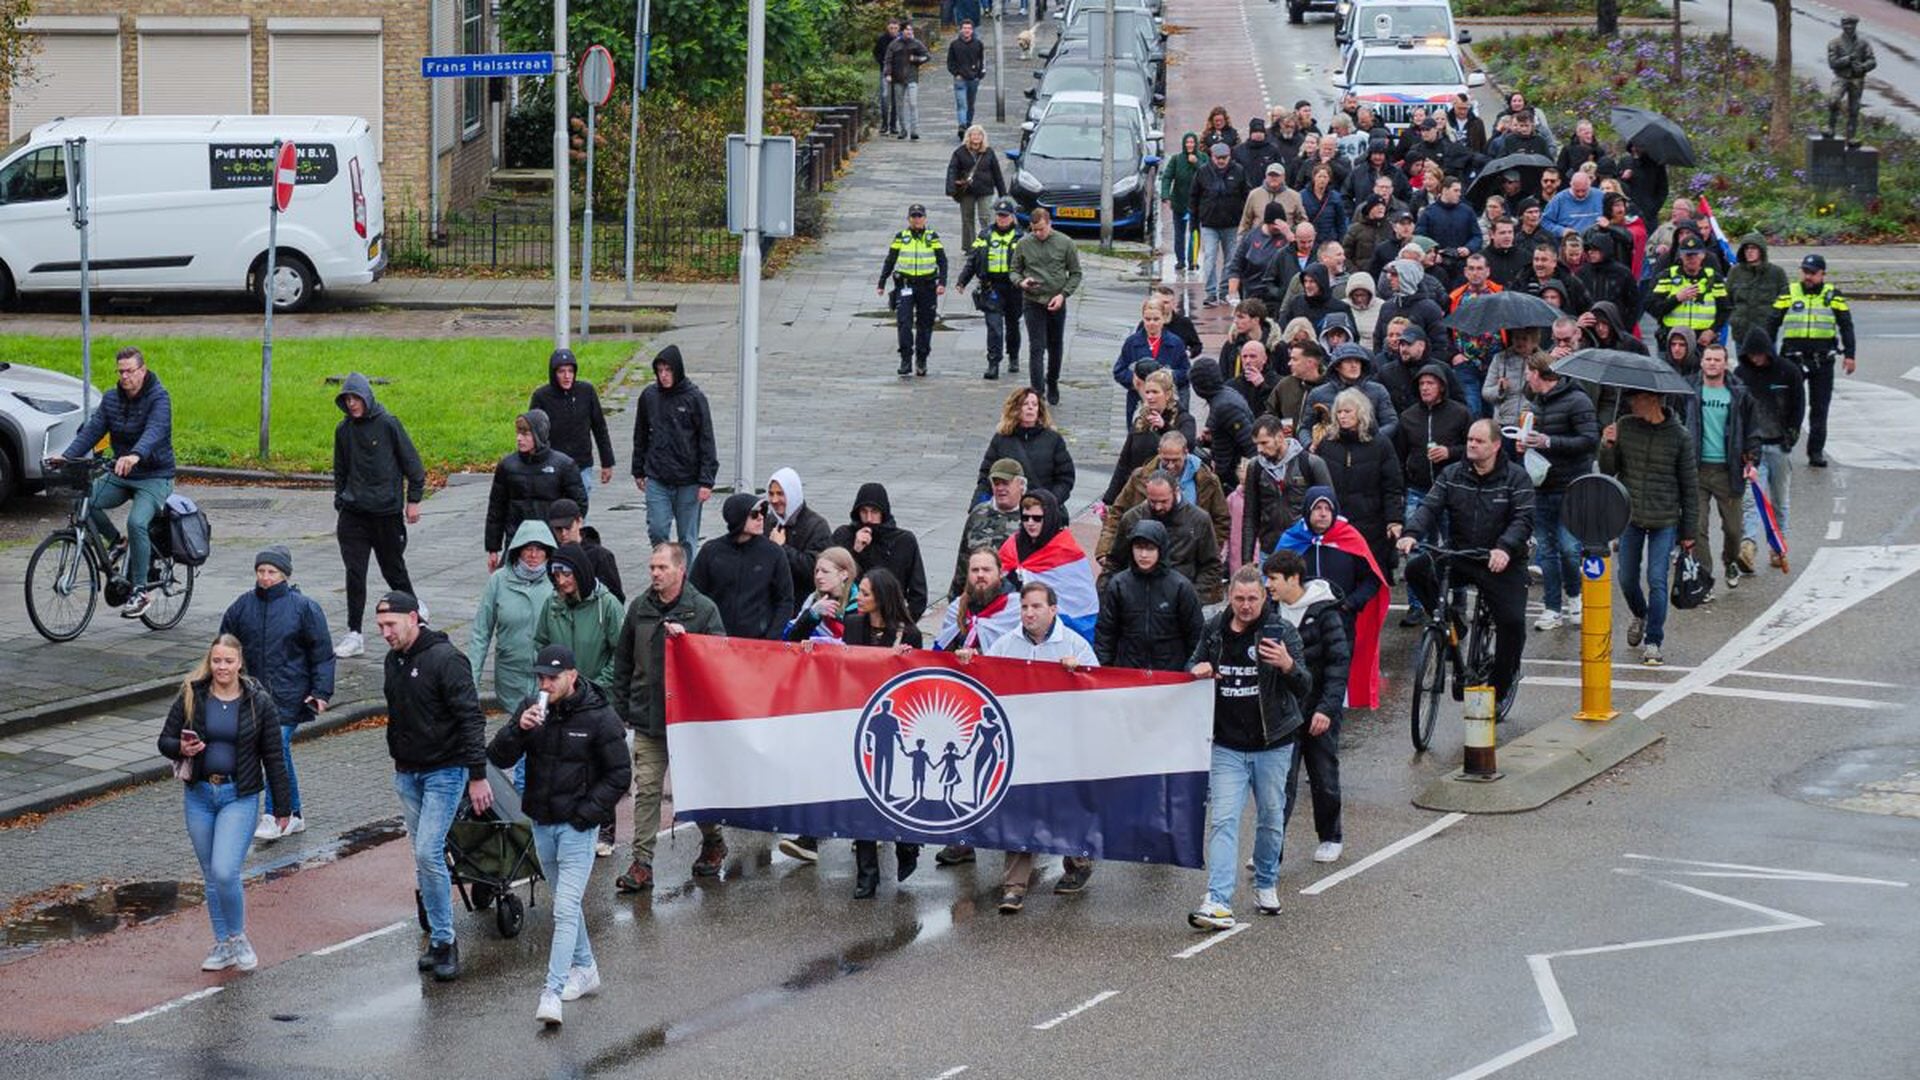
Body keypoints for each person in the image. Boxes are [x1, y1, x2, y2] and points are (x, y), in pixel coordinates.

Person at [488, 645, 630, 1026]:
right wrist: (519, 729)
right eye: (541, 678)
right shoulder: (531, 708)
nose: (545, 685)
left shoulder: (599, 716)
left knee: (564, 909)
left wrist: (586, 815)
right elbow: (497, 757)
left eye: (552, 678)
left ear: (572, 675)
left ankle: (551, 993)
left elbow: (619, 774)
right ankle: (585, 969)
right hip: (541, 822)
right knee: (566, 906)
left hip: (577, 828)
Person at [1184, 565, 1312, 930]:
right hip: (1226, 745)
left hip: (1273, 744)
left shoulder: (1282, 631)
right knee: (1223, 819)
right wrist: (1199, 669)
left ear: (1264, 597)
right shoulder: (1214, 630)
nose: (1245, 606)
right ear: (1229, 597)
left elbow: (1305, 686)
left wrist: (1287, 665)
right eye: (1239, 598)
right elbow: (1192, 664)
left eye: (1252, 598)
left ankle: (1266, 882)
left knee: (1271, 819)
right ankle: (1218, 900)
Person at [157, 634, 292, 973]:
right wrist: (181, 748)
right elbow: (165, 740)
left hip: (239, 795)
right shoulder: (193, 693)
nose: (222, 667)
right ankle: (222, 944)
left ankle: (238, 936)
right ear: (210, 661)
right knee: (209, 874)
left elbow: (275, 756)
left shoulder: (258, 702)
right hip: (200, 795)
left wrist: (282, 808)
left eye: (228, 661)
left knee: (224, 870)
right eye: (216, 660)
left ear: (239, 663)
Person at [374, 591, 490, 982]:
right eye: (380, 627)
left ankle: (444, 940)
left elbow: (471, 718)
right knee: (424, 856)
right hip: (407, 772)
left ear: (413, 618)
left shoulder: (447, 660)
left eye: (390, 625)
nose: (385, 633)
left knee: (428, 852)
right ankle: (439, 937)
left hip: (445, 771)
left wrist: (477, 774)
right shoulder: (394, 661)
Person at [612, 543, 728, 892]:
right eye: (652, 568)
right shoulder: (640, 609)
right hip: (649, 719)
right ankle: (642, 862)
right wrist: (621, 710)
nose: (655, 574)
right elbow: (622, 663)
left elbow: (720, 659)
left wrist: (689, 641)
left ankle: (713, 840)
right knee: (646, 789)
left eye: (662, 567)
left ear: (681, 570)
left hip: (689, 722)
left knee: (694, 789)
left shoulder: (703, 611)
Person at [1398, 421, 1535, 717]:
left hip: (1500, 560)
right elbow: (1429, 506)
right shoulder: (1452, 474)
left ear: (1496, 445)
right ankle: (1450, 625)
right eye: (1470, 440)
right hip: (1460, 553)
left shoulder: (1516, 478)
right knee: (1416, 569)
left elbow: (1523, 519)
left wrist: (1505, 548)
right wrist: (1411, 533)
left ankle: (1500, 686)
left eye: (1479, 441)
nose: (1472, 445)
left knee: (1512, 622)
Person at [218, 546, 332, 843]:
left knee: (275, 746)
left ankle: (273, 814)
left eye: (272, 572)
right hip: (255, 697)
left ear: (284, 575)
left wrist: (321, 691)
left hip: (290, 694)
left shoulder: (304, 608)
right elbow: (224, 647)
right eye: (261, 572)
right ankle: (293, 814)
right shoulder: (242, 606)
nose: (265, 578)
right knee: (279, 753)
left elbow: (321, 653)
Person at [53, 346, 174, 618]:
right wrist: (67, 456)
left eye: (130, 371)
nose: (125, 377)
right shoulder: (111, 399)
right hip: (122, 472)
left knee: (137, 522)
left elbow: (156, 430)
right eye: (120, 371)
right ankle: (117, 541)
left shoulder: (159, 398)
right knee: (85, 501)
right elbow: (94, 430)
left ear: (142, 370)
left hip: (154, 475)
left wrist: (135, 454)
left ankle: (140, 591)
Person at [534, 542, 627, 857]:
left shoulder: (607, 606)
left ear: (581, 573)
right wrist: (549, 678)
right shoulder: (552, 605)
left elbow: (622, 651)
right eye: (556, 574)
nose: (560, 581)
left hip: (597, 697)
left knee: (601, 763)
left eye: (566, 574)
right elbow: (541, 642)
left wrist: (597, 684)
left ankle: (606, 827)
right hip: (561, 698)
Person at [329, 372, 425, 659]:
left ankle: (415, 613)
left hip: (385, 513)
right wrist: (340, 500)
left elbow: (412, 464)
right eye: (347, 399)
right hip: (353, 514)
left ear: (367, 398)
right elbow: (340, 468)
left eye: (356, 398)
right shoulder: (343, 431)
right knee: (355, 573)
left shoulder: (388, 424)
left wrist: (414, 500)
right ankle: (354, 633)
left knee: (393, 569)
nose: (352, 404)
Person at [840, 568, 925, 897]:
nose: (858, 598)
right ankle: (867, 873)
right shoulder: (852, 626)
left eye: (864, 593)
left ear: (882, 598)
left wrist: (907, 661)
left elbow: (918, 680)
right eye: (858, 592)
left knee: (894, 791)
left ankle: (907, 845)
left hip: (896, 721)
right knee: (862, 797)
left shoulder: (909, 633)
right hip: (860, 720)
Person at [1601, 391, 1699, 666]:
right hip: (1630, 516)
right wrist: (1607, 446)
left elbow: (1690, 488)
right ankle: (1640, 614)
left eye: (1639, 399)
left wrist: (1689, 532)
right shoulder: (1626, 426)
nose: (1632, 404)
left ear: (1655, 400)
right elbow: (1610, 471)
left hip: (1665, 519)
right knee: (1627, 578)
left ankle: (1654, 640)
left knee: (1657, 579)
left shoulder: (1680, 436)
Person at [1274, 487, 1388, 711]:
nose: (1323, 514)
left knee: (1334, 679)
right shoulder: (1291, 540)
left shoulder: (1350, 538)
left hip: (1340, 623)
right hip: (1299, 624)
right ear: (1307, 510)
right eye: (1318, 508)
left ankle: (1329, 724)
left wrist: (1349, 604)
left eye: (1328, 508)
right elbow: (1274, 579)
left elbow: (1371, 580)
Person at [1520, 355, 1598, 630]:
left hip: (1570, 486)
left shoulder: (1577, 401)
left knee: (1568, 549)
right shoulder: (1535, 404)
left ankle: (1575, 598)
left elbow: (1589, 440)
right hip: (1541, 486)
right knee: (1548, 550)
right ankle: (1552, 607)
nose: (1526, 377)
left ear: (1539, 373)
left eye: (1529, 372)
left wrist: (1549, 441)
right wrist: (1525, 444)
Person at [471, 521, 557, 746]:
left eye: (539, 548)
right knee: (519, 733)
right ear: (517, 550)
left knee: (544, 737)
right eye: (527, 548)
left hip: (548, 677)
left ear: (548, 551)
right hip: (511, 675)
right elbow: (481, 632)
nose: (533, 554)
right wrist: (471, 679)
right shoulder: (498, 581)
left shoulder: (557, 582)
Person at [1684, 344, 1760, 592]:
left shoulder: (1740, 394)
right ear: (1702, 362)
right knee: (1697, 528)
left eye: (1717, 360)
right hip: (1697, 470)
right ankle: (1704, 579)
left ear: (1725, 363)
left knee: (1733, 529)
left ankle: (1730, 561)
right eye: (1708, 359)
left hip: (1729, 471)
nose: (1712, 363)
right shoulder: (1688, 390)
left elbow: (1752, 431)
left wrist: (1752, 461)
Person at [1768, 253, 1855, 468]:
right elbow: (1772, 323)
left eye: (1812, 273)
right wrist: (1767, 354)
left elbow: (1846, 325)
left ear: (1822, 274)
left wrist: (1850, 355)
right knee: (1786, 404)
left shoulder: (1833, 294)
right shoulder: (1789, 292)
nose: (1807, 277)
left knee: (1820, 407)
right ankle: (1784, 444)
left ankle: (1815, 451)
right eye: (1805, 272)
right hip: (1792, 358)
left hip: (1822, 360)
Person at [632, 345, 718, 558]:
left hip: (688, 480)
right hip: (658, 477)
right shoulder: (649, 397)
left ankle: (684, 582)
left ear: (677, 370)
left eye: (668, 370)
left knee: (687, 537)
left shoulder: (695, 398)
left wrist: (706, 480)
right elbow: (640, 434)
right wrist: (638, 470)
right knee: (657, 529)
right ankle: (664, 568)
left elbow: (706, 440)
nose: (664, 376)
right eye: (660, 371)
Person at [1099, 468, 1226, 604]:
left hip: (1180, 600)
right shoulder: (1132, 518)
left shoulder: (1198, 520)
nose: (1158, 507)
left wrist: (1191, 598)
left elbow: (1211, 565)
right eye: (1152, 501)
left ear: (1176, 491)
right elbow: (1115, 562)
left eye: (1164, 501)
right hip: (1138, 598)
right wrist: (1106, 594)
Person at [1095, 519, 1205, 674]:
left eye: (1150, 548)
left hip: (1170, 674)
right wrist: (1104, 669)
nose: (1143, 555)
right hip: (1128, 670)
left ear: (1161, 549)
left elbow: (1196, 634)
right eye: (1138, 548)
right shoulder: (1119, 585)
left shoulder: (1181, 587)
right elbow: (1106, 632)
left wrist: (1191, 668)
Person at [1736, 329, 1804, 573]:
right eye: (1751, 355)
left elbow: (1798, 405)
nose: (1756, 359)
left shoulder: (1788, 372)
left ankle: (1778, 547)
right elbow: (1738, 412)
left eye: (1759, 354)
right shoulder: (1741, 375)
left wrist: (1792, 436)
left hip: (1780, 446)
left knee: (1779, 500)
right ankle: (1748, 546)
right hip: (1754, 448)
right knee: (1752, 499)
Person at [485, 410, 585, 571]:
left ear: (539, 435)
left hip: (551, 542)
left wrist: (566, 534)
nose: (519, 438)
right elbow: (496, 509)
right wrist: (492, 548)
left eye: (525, 434)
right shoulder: (507, 466)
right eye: (518, 433)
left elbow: (578, 505)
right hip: (517, 541)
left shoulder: (564, 466)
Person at [1000, 489, 1099, 641]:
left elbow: (1081, 601)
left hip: (1058, 633)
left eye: (1037, 518)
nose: (1030, 523)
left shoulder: (1066, 551)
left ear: (1049, 517)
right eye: (1025, 518)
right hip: (1013, 627)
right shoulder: (1012, 544)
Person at [1099, 369, 1199, 510]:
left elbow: (1188, 444)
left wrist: (1164, 427)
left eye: (1155, 392)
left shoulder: (1183, 419)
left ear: (1168, 394)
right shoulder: (1141, 421)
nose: (1150, 397)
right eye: (1147, 392)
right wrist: (1109, 500)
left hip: (1166, 496)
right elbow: (1124, 461)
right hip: (1138, 492)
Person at [1012, 208, 1082, 403]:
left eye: (1041, 229)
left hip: (1056, 300)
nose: (1038, 233)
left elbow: (1075, 273)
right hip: (1032, 301)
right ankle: (1037, 390)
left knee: (1055, 344)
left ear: (1049, 224)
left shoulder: (1065, 243)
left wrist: (1063, 295)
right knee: (1037, 346)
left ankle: (1052, 381)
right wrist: (1021, 282)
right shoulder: (1024, 244)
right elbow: (1014, 270)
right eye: (1034, 229)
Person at [1241, 413, 1330, 567]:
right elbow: (1250, 516)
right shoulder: (1255, 468)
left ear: (1280, 437)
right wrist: (1247, 560)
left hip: (1304, 547)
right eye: (1256, 444)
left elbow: (1330, 509)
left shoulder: (1310, 463)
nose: (1259, 449)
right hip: (1269, 550)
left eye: (1264, 442)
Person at [832, 483, 929, 620]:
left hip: (891, 620)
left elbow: (918, 592)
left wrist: (905, 623)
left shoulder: (903, 541)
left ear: (883, 513)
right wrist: (855, 552)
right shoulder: (844, 536)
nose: (869, 518)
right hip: (850, 618)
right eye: (864, 512)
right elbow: (833, 579)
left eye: (874, 512)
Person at [530, 348, 614, 496]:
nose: (567, 376)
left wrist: (607, 462)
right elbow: (532, 433)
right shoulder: (541, 396)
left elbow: (599, 427)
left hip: (581, 465)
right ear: (554, 373)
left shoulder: (586, 392)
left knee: (578, 514)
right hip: (551, 467)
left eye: (570, 371)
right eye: (561, 371)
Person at [973, 386, 1074, 506]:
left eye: (1035, 404)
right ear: (1015, 408)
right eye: (1025, 404)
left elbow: (1065, 478)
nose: (1030, 408)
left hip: (1043, 509)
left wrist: (1050, 502)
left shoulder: (1053, 439)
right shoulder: (1001, 439)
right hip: (1009, 509)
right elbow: (986, 477)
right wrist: (977, 506)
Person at [879, 203, 949, 378]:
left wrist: (942, 282)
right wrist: (882, 282)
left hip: (927, 286)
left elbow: (942, 261)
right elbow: (890, 260)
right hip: (905, 285)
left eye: (919, 216)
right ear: (909, 219)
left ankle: (922, 360)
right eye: (914, 216)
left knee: (925, 324)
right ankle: (905, 359)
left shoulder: (932, 237)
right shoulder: (901, 237)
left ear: (925, 218)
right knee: (904, 323)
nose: (917, 219)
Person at [957, 199, 1024, 379]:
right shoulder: (985, 235)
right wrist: (962, 281)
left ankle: (1014, 356)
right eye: (999, 215)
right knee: (994, 326)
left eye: (1005, 216)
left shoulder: (1021, 236)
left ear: (1012, 217)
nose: (1001, 219)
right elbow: (973, 259)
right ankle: (993, 363)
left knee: (1012, 324)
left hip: (1013, 287)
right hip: (992, 286)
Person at [954, 459, 1025, 600]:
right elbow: (963, 561)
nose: (1000, 488)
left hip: (1013, 603)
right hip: (976, 598)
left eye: (1006, 483)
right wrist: (955, 598)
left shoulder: (1030, 518)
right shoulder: (978, 513)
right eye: (996, 483)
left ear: (1021, 485)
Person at [1190, 142, 1251, 307]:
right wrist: (1194, 223)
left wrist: (1246, 222)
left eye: (1225, 158)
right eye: (1218, 158)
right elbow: (1194, 198)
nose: (1221, 161)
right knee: (1209, 258)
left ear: (1229, 157)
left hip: (1231, 224)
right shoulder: (1202, 172)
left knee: (1230, 260)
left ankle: (1224, 292)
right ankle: (1210, 292)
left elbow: (1247, 196)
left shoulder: (1239, 171)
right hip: (1209, 223)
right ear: (1212, 157)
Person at [1113, 298, 1193, 420]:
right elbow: (1119, 371)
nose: (1151, 323)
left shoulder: (1175, 343)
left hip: (1167, 406)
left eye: (1156, 319)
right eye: (1147, 319)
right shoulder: (1132, 342)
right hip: (1138, 402)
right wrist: (1134, 379)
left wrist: (1169, 375)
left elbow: (1186, 372)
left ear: (1164, 319)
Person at [1188, 358, 1257, 496]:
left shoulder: (1224, 406)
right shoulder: (1225, 395)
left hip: (1231, 476)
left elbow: (1250, 443)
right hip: (1228, 470)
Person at [932, 547, 1021, 654]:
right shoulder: (956, 608)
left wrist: (978, 653)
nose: (980, 575)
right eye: (975, 570)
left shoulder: (1016, 608)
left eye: (986, 570)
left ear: (1000, 573)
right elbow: (942, 654)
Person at [766, 466, 833, 604]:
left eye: (780, 494)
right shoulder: (767, 522)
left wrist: (782, 547)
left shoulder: (817, 526)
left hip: (802, 603)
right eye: (771, 494)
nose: (774, 500)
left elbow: (813, 570)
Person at [1650, 236, 1730, 343]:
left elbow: (1725, 309)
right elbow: (1653, 307)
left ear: (1703, 255)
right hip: (1674, 339)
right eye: (1688, 255)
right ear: (1681, 256)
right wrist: (1677, 299)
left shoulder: (1714, 278)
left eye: (1695, 255)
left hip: (1702, 339)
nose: (1692, 259)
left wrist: (1712, 331)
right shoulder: (1668, 276)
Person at [546, 498, 623, 604]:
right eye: (558, 529)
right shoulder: (551, 555)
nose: (563, 533)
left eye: (568, 527)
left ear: (580, 522)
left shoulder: (601, 556)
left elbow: (616, 599)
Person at [1725, 234, 1789, 354]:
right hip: (1741, 333)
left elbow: (1785, 301)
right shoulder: (1735, 272)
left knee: (1769, 369)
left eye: (1753, 248)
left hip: (1766, 333)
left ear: (1762, 250)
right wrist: (1734, 319)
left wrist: (1773, 322)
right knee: (1743, 370)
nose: (1749, 252)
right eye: (1746, 248)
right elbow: (1727, 300)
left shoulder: (1776, 273)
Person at [947, 124, 1005, 244]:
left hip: (985, 189)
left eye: (979, 134)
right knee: (967, 219)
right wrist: (951, 188)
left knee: (986, 217)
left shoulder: (989, 152)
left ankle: (987, 242)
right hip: (967, 190)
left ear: (983, 137)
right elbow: (952, 170)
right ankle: (969, 246)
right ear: (969, 137)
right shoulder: (960, 152)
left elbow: (997, 172)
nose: (976, 137)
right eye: (974, 134)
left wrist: (1003, 193)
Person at [1824, 15, 1877, 144]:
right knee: (1834, 100)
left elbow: (1872, 61)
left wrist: (1863, 67)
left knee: (1854, 109)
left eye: (1852, 25)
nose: (1849, 28)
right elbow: (1832, 63)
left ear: (1855, 26)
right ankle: (1830, 127)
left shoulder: (1863, 43)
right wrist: (1848, 59)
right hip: (1841, 78)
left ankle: (1851, 136)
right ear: (1842, 26)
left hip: (1857, 80)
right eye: (1846, 25)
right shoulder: (1835, 43)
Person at [1162, 132, 1203, 277]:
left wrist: (1196, 163)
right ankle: (1180, 260)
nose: (1190, 145)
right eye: (1187, 142)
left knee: (1195, 233)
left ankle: (1193, 260)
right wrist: (1165, 195)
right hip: (1179, 202)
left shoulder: (1202, 158)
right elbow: (1167, 177)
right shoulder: (1176, 159)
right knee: (1179, 233)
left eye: (1192, 142)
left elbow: (1208, 174)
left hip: (1196, 204)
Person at [884, 22, 931, 140]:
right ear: (902, 31)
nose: (909, 32)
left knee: (913, 104)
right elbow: (888, 60)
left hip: (912, 77)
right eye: (907, 30)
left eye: (911, 30)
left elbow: (927, 56)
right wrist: (888, 73)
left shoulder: (916, 43)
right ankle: (903, 130)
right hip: (898, 78)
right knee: (899, 105)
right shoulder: (894, 44)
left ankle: (914, 130)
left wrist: (916, 59)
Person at [946, 20, 985, 138]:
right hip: (960, 79)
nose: (966, 30)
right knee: (961, 104)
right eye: (964, 28)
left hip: (973, 79)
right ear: (961, 30)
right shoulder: (954, 45)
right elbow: (950, 62)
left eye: (969, 28)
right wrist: (955, 73)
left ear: (972, 30)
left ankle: (968, 124)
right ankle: (962, 126)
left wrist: (979, 75)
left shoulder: (978, 44)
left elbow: (982, 60)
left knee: (970, 104)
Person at [1243, 161, 1305, 236]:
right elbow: (1246, 221)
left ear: (1283, 177)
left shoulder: (1295, 196)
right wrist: (1241, 239)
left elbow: (1302, 222)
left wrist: (1292, 233)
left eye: (1277, 175)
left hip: (1284, 240)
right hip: (1259, 240)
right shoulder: (1254, 194)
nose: (1273, 178)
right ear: (1266, 176)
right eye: (1270, 175)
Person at [873, 18, 900, 135]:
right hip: (885, 71)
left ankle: (893, 125)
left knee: (896, 99)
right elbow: (876, 52)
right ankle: (884, 123)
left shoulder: (901, 39)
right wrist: (882, 63)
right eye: (891, 28)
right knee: (884, 97)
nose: (893, 30)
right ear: (887, 28)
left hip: (898, 73)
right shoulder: (882, 39)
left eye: (895, 28)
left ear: (898, 28)